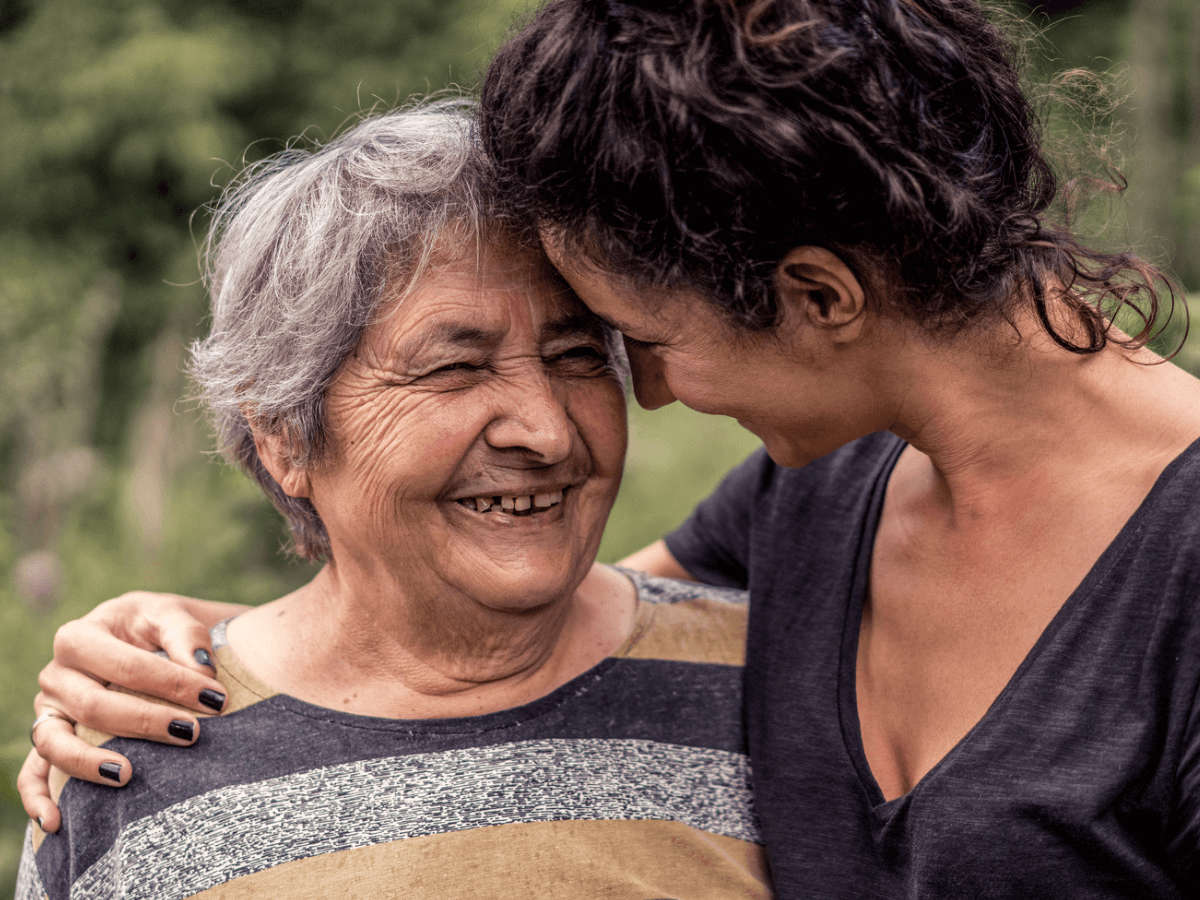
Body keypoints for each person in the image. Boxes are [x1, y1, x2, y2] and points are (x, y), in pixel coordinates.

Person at [20, 0, 1200, 895]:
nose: (651, 394)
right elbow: (507, 616)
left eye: (629, 340)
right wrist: (186, 640)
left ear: (822, 299)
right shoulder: (821, 494)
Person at [14, 103, 772, 900]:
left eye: (578, 355)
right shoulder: (131, 754)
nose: (548, 433)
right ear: (285, 440)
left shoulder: (778, 687)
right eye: (454, 370)